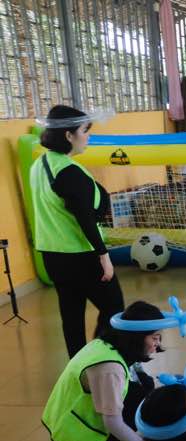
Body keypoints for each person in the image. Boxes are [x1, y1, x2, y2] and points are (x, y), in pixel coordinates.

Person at [41, 300, 184, 441]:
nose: (157, 343)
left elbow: (137, 375)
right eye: (154, 337)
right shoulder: (110, 369)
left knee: (145, 387)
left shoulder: (111, 343)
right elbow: (112, 422)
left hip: (80, 408)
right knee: (141, 402)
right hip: (78, 431)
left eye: (159, 337)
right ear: (136, 338)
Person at [30, 105, 124, 357]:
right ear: (69, 135)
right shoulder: (69, 171)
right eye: (85, 130)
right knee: (115, 309)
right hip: (81, 254)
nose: (88, 136)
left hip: (52, 255)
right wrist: (103, 256)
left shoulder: (40, 164)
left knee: (71, 317)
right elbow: (85, 218)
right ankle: (101, 359)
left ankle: (78, 369)